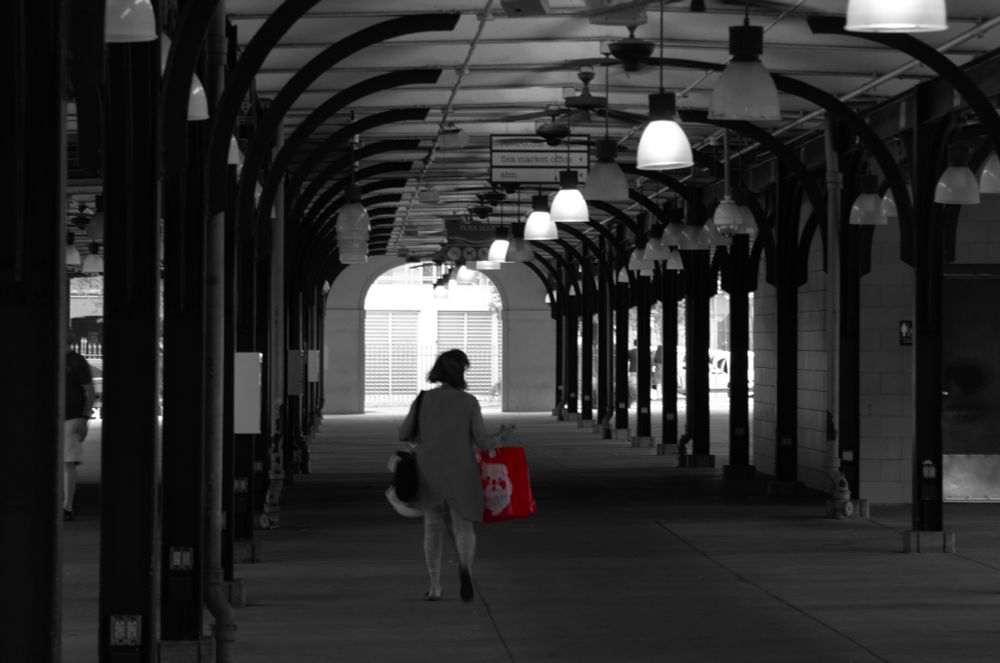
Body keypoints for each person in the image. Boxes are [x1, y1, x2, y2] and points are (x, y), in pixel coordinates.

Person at [398, 348, 512, 603]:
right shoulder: (469, 402)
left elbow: (403, 433)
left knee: (432, 527)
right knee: (463, 526)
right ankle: (465, 569)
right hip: (461, 469)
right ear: (461, 373)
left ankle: (435, 584)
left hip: (429, 470)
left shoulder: (424, 399)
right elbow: (483, 443)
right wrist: (502, 436)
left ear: (438, 371)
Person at [64, 334, 96, 522]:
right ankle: (67, 502)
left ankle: (67, 505)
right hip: (71, 416)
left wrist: (84, 417)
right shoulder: (74, 361)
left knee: (68, 461)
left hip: (72, 417)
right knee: (68, 462)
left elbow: (89, 392)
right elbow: (89, 392)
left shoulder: (77, 362)